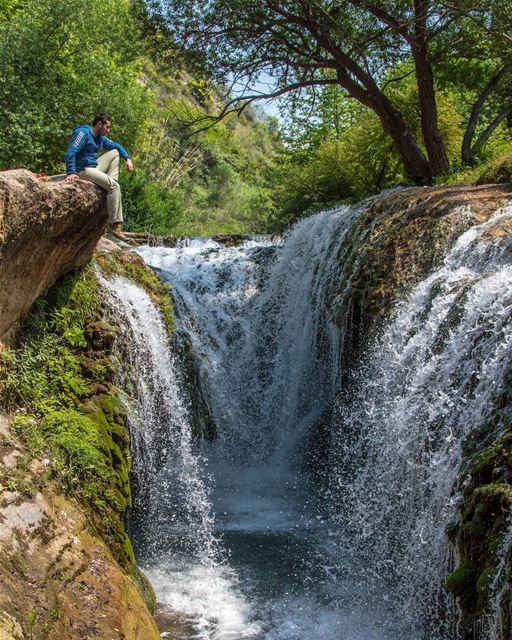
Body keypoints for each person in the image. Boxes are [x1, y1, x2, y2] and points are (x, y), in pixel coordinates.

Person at [65, 113, 133, 238]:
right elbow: (70, 152)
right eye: (107, 127)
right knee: (115, 187)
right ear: (99, 124)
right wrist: (71, 172)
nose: (108, 130)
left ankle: (110, 183)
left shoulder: (100, 138)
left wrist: (127, 159)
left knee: (115, 152)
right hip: (82, 170)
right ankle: (114, 225)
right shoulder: (83, 133)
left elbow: (117, 146)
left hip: (93, 166)